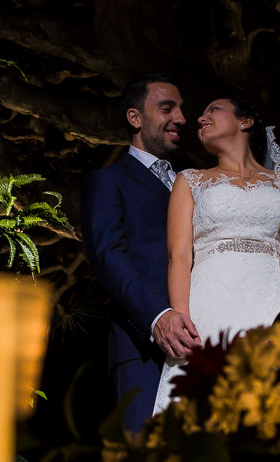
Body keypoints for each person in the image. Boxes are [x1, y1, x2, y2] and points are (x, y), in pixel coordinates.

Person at [151, 96, 280, 414]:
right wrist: (182, 318)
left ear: (244, 122)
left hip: (276, 297)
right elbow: (178, 255)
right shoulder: (190, 180)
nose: (201, 119)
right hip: (212, 299)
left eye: (213, 110)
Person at [81, 74, 203, 434]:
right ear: (135, 118)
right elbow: (108, 256)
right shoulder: (108, 181)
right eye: (167, 108)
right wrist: (157, 316)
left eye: (182, 109)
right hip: (143, 348)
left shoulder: (196, 182)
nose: (181, 118)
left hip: (208, 335)